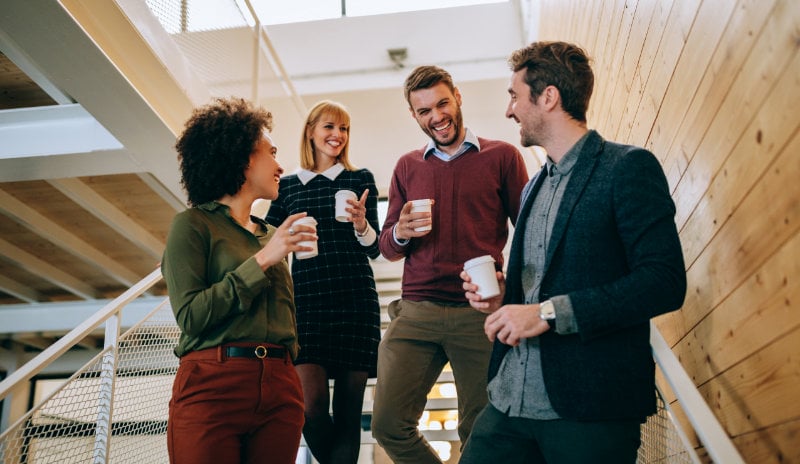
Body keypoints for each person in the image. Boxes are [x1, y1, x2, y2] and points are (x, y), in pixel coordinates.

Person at [458, 41, 687, 463]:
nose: (509, 110)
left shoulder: (628, 167)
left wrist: (546, 313)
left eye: (514, 95)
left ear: (548, 97)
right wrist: (502, 299)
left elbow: (663, 282)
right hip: (509, 403)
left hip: (590, 410)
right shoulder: (532, 187)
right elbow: (538, 289)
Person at [372, 65, 529, 463]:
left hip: (477, 313)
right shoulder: (408, 166)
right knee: (387, 423)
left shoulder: (503, 157)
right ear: (414, 115)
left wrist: (511, 290)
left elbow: (529, 233)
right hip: (417, 310)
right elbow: (388, 247)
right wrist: (402, 231)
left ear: (457, 96)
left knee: (480, 431)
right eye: (424, 110)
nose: (436, 116)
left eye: (442, 103)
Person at [162, 97, 315, 464]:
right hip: (212, 386)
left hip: (280, 389)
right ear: (244, 157)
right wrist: (263, 260)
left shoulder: (271, 234)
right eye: (271, 152)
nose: (280, 165)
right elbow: (192, 317)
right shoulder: (192, 225)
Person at [266, 100, 381, 464]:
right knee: (310, 410)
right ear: (311, 131)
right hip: (307, 303)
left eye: (344, 129)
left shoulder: (359, 179)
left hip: (355, 299)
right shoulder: (286, 187)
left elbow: (375, 247)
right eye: (330, 127)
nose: (337, 135)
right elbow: (265, 239)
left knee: (349, 415)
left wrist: (362, 223)